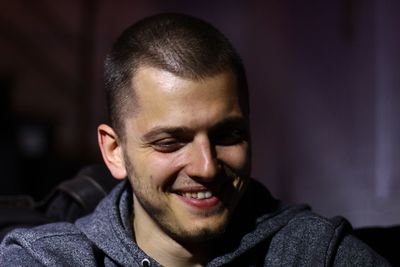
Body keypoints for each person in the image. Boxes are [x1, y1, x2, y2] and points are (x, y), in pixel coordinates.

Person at [0, 13, 391, 267]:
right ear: (114, 151)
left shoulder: (318, 255)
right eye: (171, 142)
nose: (206, 166)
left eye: (228, 135)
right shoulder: (47, 260)